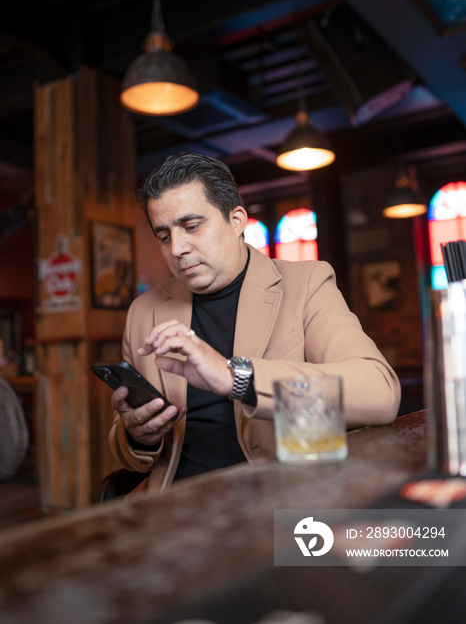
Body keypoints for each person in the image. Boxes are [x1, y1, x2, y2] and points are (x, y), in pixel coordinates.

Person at [109, 152, 400, 492]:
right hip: (175, 509)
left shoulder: (306, 284)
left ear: (236, 220)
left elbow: (380, 393)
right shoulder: (144, 312)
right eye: (163, 236)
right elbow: (127, 457)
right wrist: (137, 435)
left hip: (280, 498)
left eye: (191, 227)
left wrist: (235, 377)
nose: (176, 248)